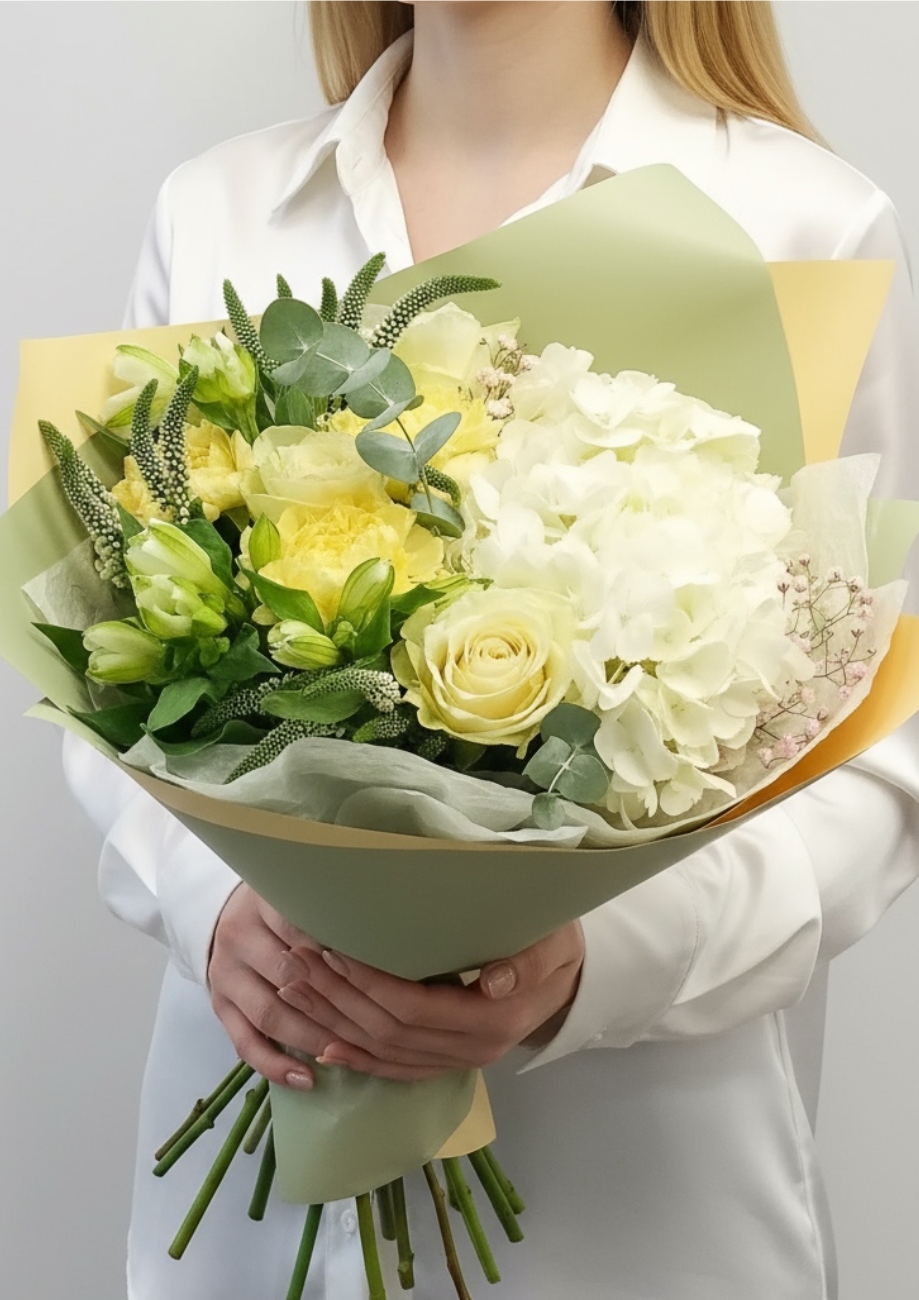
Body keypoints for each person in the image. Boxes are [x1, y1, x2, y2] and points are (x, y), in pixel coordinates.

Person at [64, 3, 919, 1297]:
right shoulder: (220, 213)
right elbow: (107, 654)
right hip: (266, 1153)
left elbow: (873, 761)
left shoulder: (803, 226)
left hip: (641, 1205)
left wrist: (589, 966)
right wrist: (214, 906)